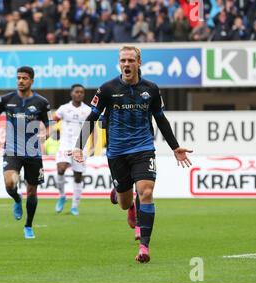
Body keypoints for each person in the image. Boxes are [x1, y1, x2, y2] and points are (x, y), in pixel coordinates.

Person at [71, 46, 192, 263]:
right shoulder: (107, 89)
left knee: (146, 192)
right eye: (123, 60)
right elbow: (92, 117)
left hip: (143, 149)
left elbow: (160, 119)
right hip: (117, 152)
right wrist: (79, 145)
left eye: (130, 60)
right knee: (126, 203)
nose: (126, 64)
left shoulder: (151, 89)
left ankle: (144, 247)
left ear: (139, 63)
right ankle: (121, 196)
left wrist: (175, 147)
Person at [0, 66, 51, 239]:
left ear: (31, 80)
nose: (20, 81)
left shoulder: (41, 102)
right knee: (9, 182)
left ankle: (28, 225)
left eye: (24, 78)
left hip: (33, 152)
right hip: (12, 149)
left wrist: (46, 134)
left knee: (32, 192)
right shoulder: (6, 99)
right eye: (18, 78)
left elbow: (49, 125)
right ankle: (17, 198)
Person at [52, 84, 91, 216]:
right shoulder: (63, 108)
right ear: (72, 93)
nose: (79, 94)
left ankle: (74, 207)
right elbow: (52, 121)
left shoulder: (88, 110)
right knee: (61, 168)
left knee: (78, 176)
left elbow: (93, 128)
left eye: (81, 92)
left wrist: (93, 145)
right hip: (65, 144)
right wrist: (47, 132)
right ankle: (62, 196)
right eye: (77, 92)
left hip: (81, 146)